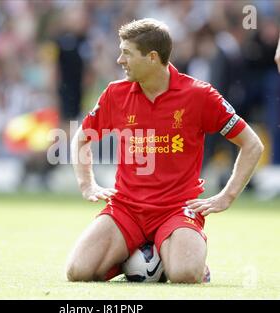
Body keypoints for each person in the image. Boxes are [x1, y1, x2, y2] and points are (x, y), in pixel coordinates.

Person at [66, 19, 264, 284]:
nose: (119, 60)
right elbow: (82, 137)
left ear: (152, 57)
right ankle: (135, 258)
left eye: (126, 53)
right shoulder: (115, 93)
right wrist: (87, 184)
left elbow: (252, 144)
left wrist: (226, 196)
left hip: (177, 209)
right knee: (78, 272)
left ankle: (176, 261)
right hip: (126, 208)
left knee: (185, 274)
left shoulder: (199, 95)